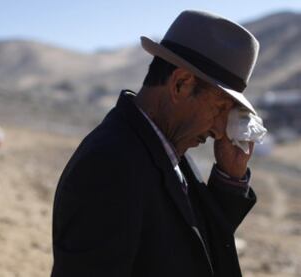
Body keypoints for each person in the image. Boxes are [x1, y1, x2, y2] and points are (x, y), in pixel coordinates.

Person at [51, 10, 259, 277]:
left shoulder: (165, 147)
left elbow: (195, 246)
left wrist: (229, 177)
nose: (221, 130)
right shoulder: (111, 164)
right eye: (219, 108)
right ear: (181, 84)